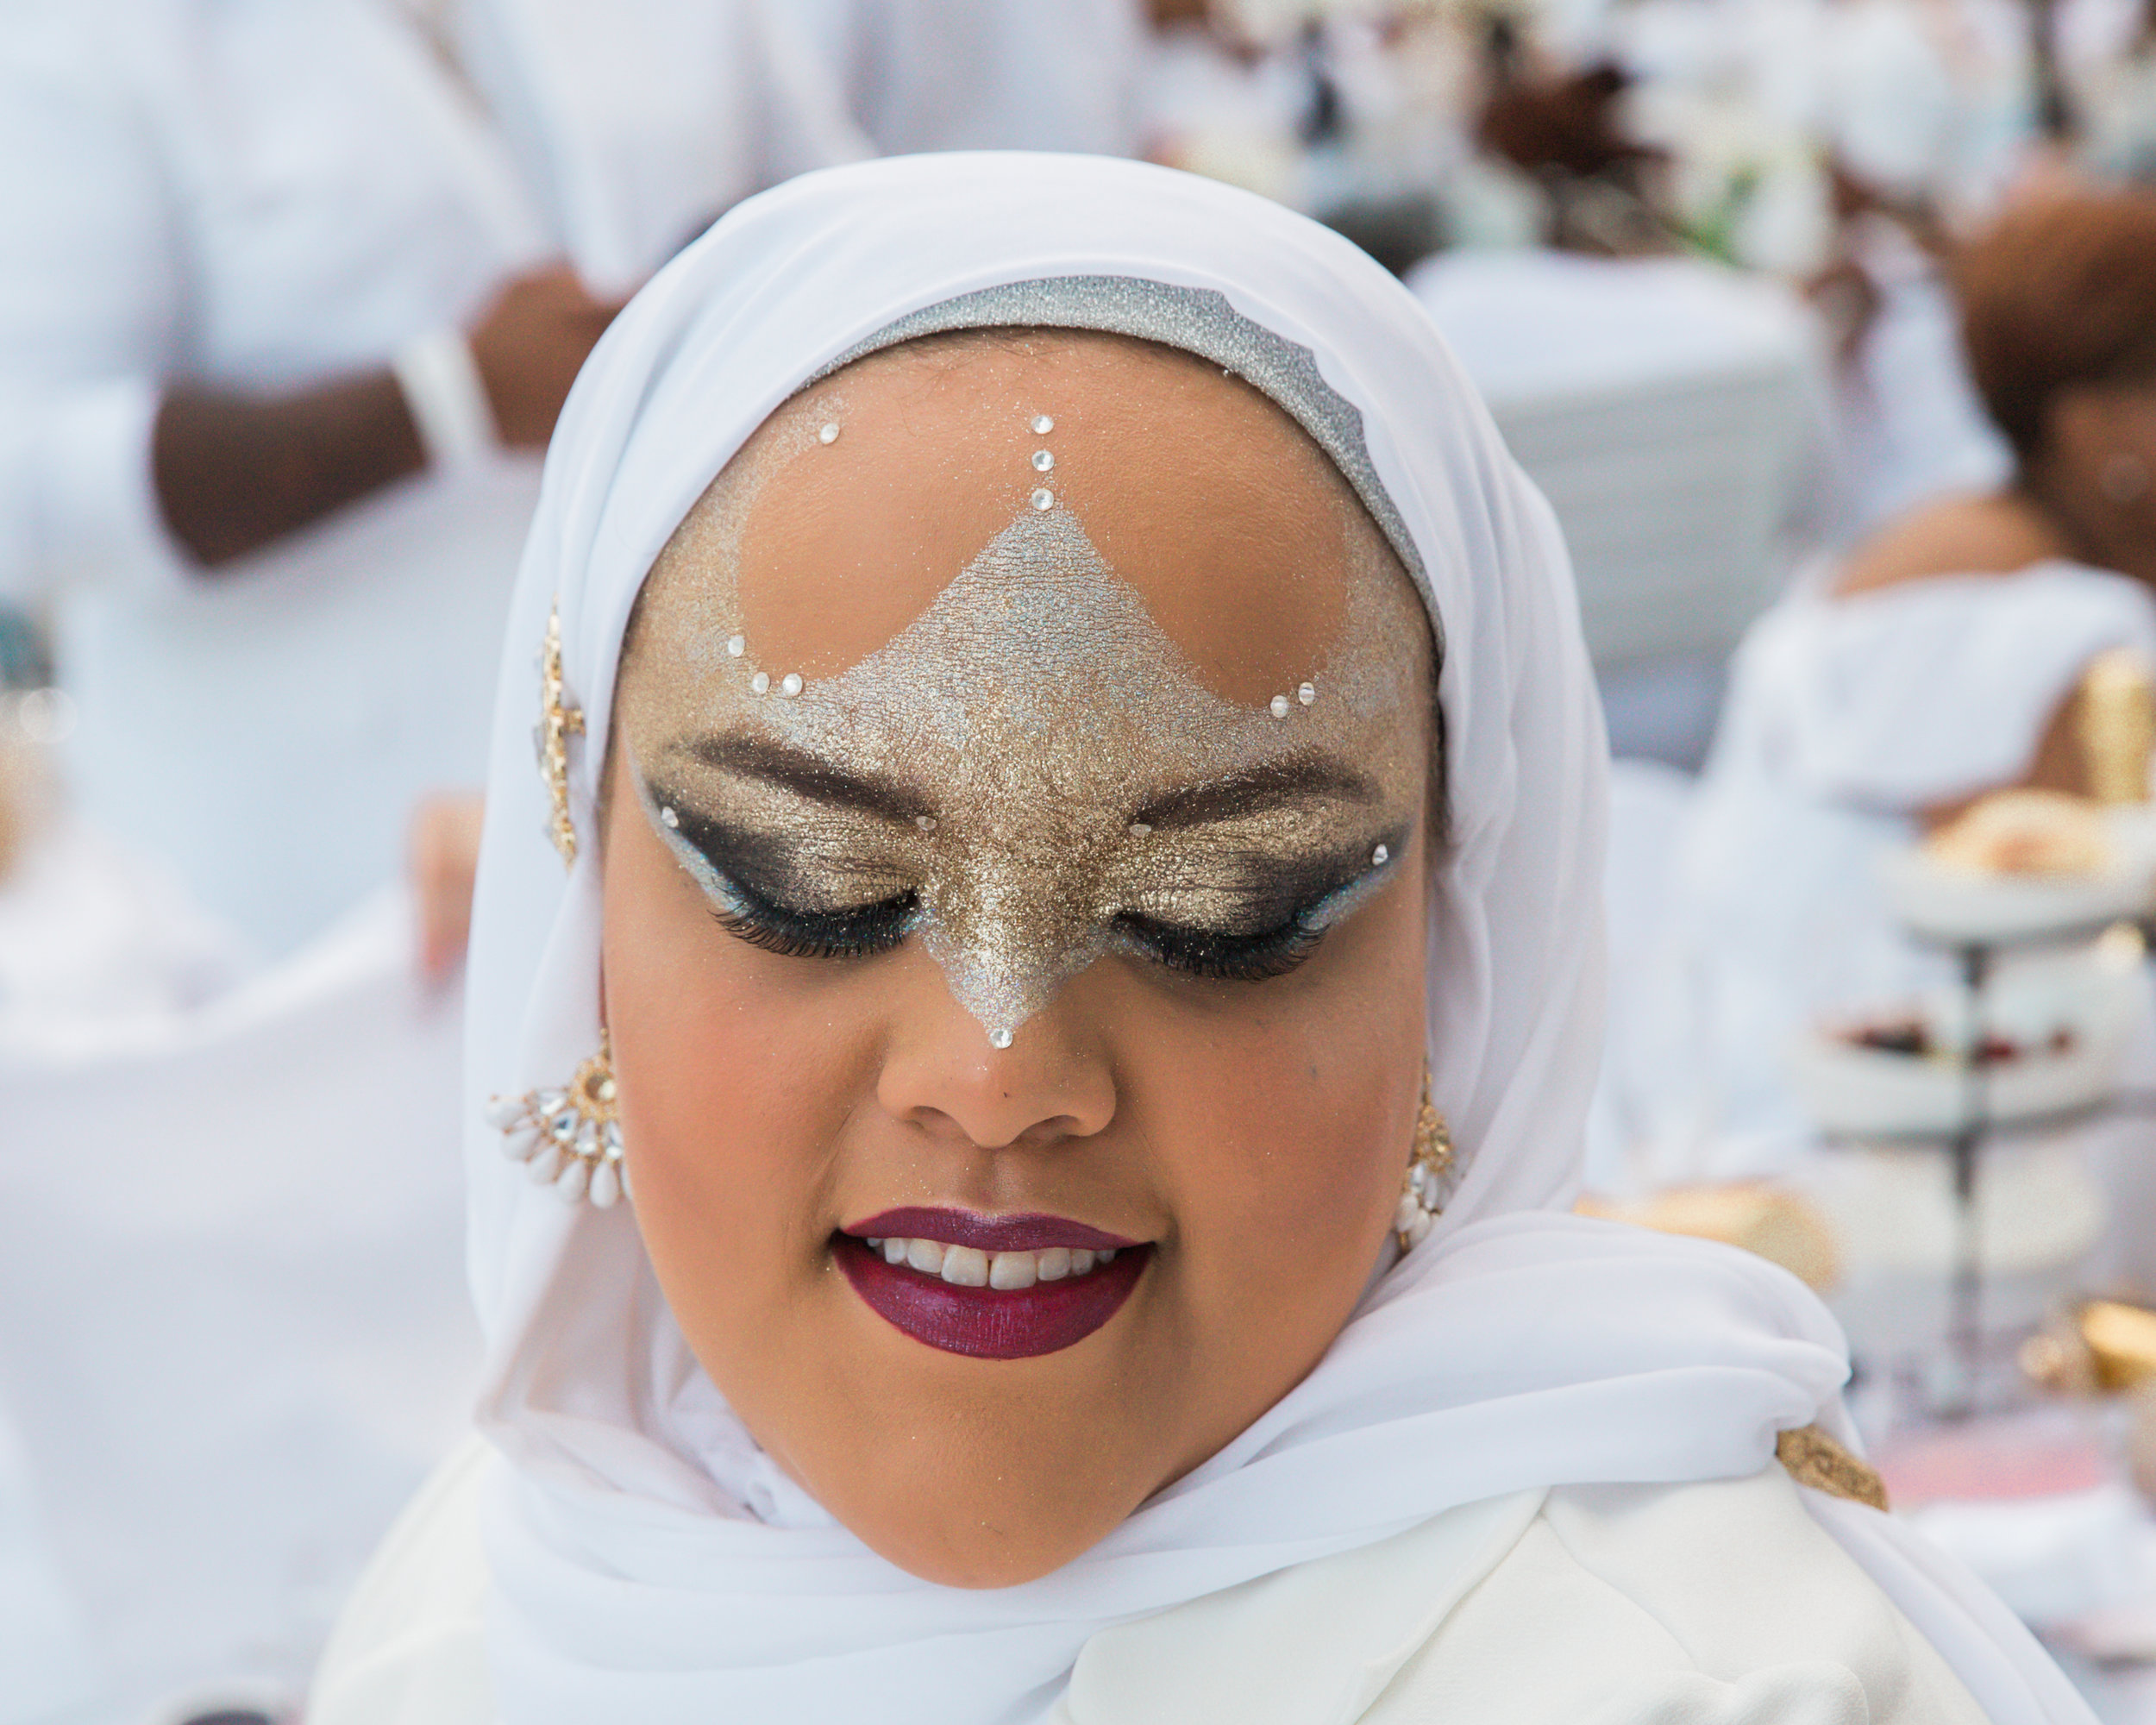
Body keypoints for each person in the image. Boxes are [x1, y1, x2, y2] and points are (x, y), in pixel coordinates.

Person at [308, 153, 2088, 1724]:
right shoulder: (479, 1613)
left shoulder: (1696, 1686)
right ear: (580, 909)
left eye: (1219, 914)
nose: (999, 1075)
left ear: (1455, 960)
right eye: (808, 887)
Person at [0, 0, 855, 956]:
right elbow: (24, 485)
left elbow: (853, 230)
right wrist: (447, 401)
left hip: (687, 800)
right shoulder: (82, 31)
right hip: (310, 900)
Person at [1594, 186, 2156, 1191]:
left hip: (1733, 1059)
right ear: (2100, 426)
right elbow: (2094, 948)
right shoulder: (2065, 639)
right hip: (1871, 1144)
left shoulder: (1960, 530)